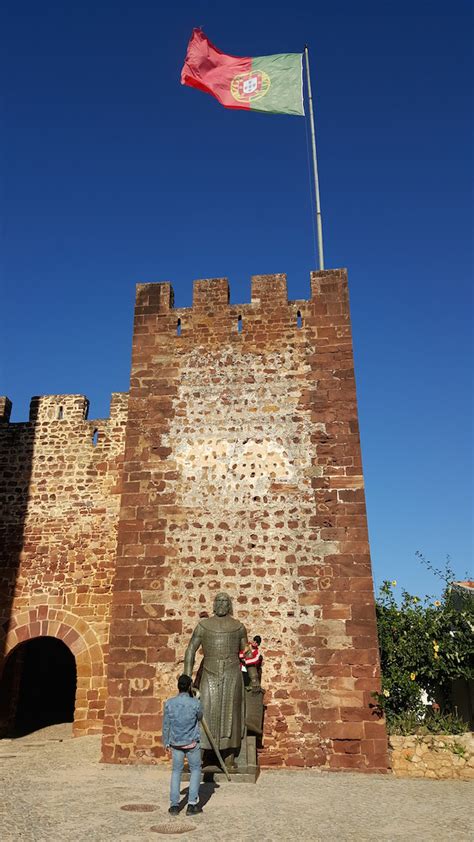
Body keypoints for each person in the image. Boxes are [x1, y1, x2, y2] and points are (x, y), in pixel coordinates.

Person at [183, 592, 260, 770]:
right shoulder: (203, 626)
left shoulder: (238, 627)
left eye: (225, 601)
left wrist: (254, 676)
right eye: (218, 600)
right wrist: (187, 677)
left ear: (230, 605)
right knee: (206, 712)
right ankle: (200, 757)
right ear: (214, 604)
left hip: (232, 675)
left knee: (231, 716)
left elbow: (247, 653)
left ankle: (229, 757)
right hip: (209, 674)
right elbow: (190, 650)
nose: (221, 603)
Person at [162, 674, 203, 816]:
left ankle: (174, 806)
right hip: (191, 742)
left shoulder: (169, 703)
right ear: (190, 686)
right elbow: (200, 717)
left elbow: (166, 725)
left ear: (178, 686)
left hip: (176, 743)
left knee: (176, 772)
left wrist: (165, 742)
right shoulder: (195, 703)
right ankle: (192, 804)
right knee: (196, 770)